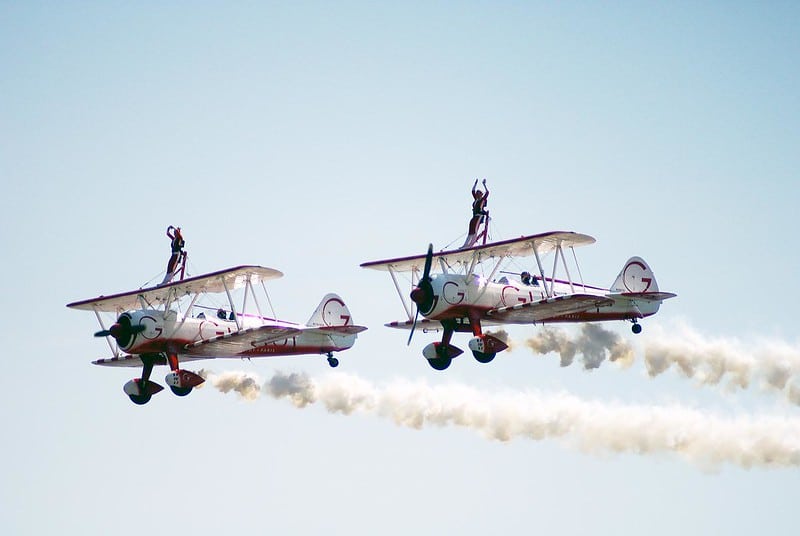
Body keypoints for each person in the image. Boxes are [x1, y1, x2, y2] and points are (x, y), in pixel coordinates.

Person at [461, 178, 489, 248]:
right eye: (476, 193)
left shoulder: (482, 200)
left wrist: (484, 184)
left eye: (478, 193)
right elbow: (472, 191)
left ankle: (470, 245)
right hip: (474, 217)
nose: (476, 194)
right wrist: (475, 184)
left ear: (481, 195)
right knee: (470, 230)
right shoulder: (476, 200)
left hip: (479, 216)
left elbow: (487, 192)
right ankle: (465, 245)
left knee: (475, 231)